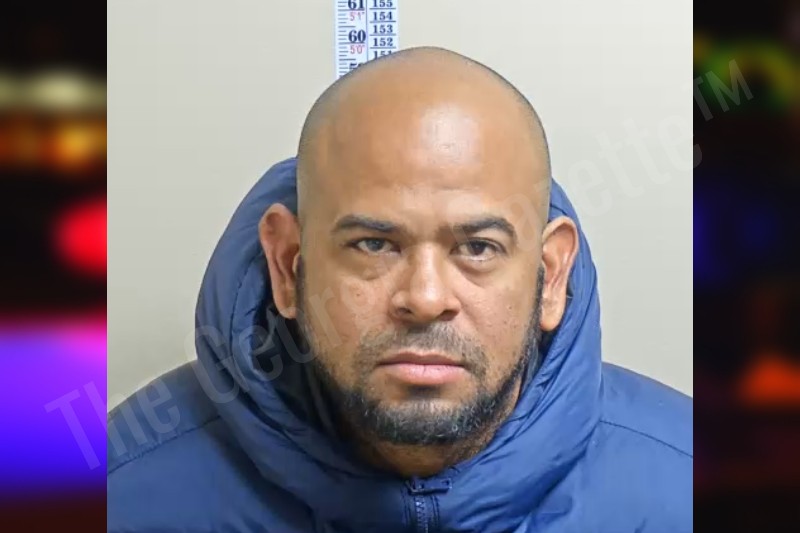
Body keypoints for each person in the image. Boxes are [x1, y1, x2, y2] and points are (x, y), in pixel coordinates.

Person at [107, 47, 692, 532]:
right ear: (287, 266)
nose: (426, 298)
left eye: (478, 248)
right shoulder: (120, 496)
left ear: (551, 277)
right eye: (373, 244)